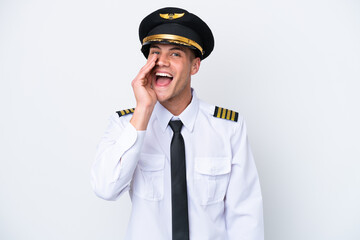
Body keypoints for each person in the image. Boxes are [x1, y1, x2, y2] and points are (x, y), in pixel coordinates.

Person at [91, 7, 264, 240]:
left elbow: (245, 216)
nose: (162, 62)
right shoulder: (125, 124)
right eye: (155, 53)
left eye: (175, 54)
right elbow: (105, 188)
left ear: (195, 66)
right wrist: (143, 109)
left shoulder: (228, 128)